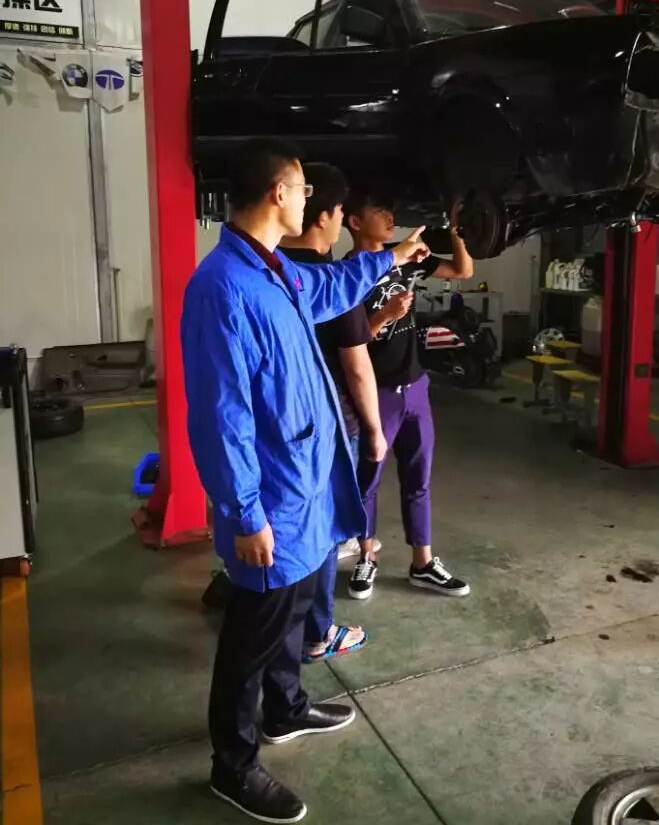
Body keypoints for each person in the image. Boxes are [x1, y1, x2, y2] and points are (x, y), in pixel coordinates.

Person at [180, 138, 429, 824]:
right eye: (301, 189)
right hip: (270, 499)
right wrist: (244, 513)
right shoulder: (222, 287)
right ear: (277, 194)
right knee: (251, 636)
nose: (308, 201)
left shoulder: (274, 269)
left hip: (302, 485)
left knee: (292, 610)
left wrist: (389, 258)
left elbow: (327, 290)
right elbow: (221, 415)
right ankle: (232, 766)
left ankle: (285, 707)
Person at [344, 187, 474, 601]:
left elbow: (462, 271)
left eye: (390, 209)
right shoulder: (349, 274)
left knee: (418, 479)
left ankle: (423, 563)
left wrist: (455, 231)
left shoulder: (403, 258)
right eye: (378, 210)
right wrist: (386, 314)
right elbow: (352, 343)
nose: (389, 216)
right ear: (355, 222)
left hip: (416, 388)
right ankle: (367, 556)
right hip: (377, 394)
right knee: (368, 480)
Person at [281, 162, 386, 663]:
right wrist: (374, 429)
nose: (342, 220)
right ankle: (317, 633)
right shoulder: (332, 279)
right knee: (321, 529)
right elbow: (357, 367)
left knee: (288, 520)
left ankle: (285, 621)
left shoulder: (268, 267)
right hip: (329, 425)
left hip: (280, 424)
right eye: (341, 211)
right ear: (323, 215)